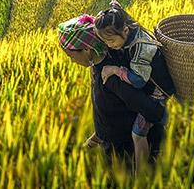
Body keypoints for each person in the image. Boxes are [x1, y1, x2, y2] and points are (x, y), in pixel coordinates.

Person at [58, 14, 168, 167]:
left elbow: (150, 110)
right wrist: (97, 136)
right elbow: (109, 109)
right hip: (109, 142)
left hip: (124, 153)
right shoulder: (97, 68)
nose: (72, 60)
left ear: (87, 50)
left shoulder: (111, 77)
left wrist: (157, 112)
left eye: (71, 56)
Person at [94, 1, 176, 173]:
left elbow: (138, 80)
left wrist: (116, 70)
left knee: (138, 135)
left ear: (125, 31)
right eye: (105, 41)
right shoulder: (126, 30)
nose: (109, 45)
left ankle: (140, 175)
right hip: (147, 85)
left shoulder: (141, 47)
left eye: (111, 40)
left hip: (157, 94)